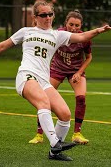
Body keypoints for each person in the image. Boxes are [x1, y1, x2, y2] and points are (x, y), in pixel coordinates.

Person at [0, 0, 111, 161]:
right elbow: (3, 45)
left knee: (65, 115)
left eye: (50, 14)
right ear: (35, 17)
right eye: (43, 15)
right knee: (43, 103)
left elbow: (82, 36)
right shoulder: (26, 31)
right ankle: (56, 143)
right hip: (26, 76)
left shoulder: (58, 35)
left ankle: (54, 153)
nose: (48, 17)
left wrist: (99, 30)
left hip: (43, 81)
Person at [29, 10, 92, 145]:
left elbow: (89, 57)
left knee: (81, 98)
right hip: (57, 70)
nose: (73, 28)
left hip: (75, 71)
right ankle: (39, 135)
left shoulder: (84, 39)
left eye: (77, 26)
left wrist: (79, 72)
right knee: (43, 98)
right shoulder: (57, 35)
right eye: (71, 25)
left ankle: (77, 134)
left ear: (81, 26)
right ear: (66, 24)